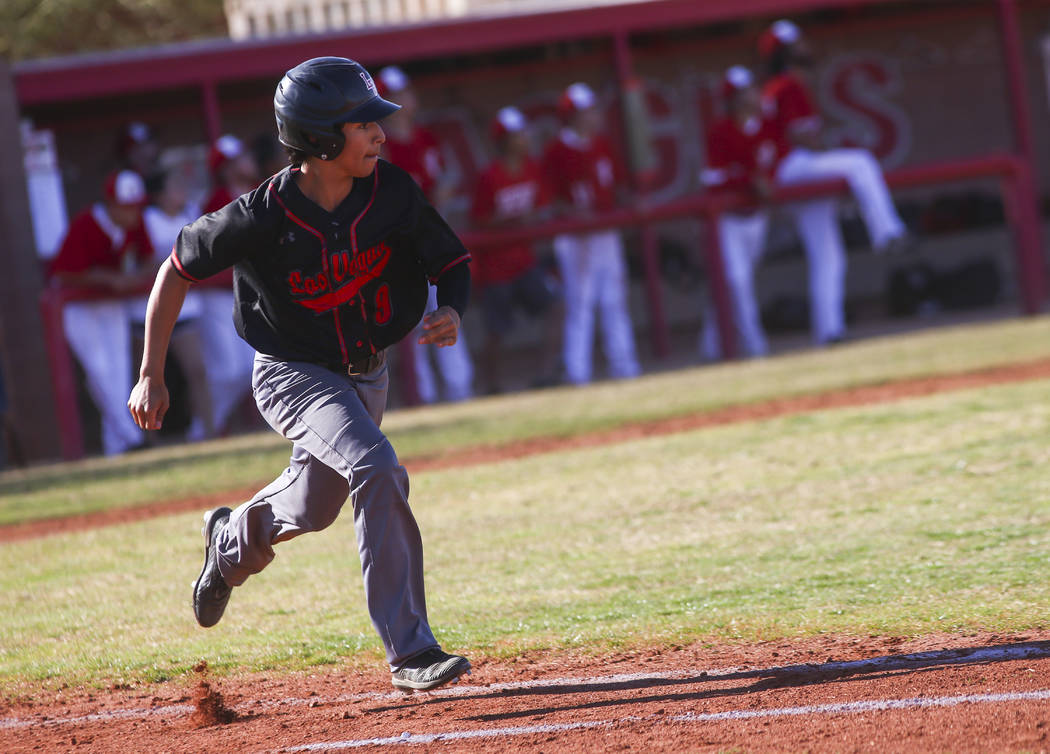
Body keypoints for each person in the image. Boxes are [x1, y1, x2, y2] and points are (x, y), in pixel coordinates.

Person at [128, 57, 473, 691]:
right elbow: (175, 270)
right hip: (293, 374)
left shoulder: (392, 191)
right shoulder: (260, 216)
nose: (379, 133)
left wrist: (450, 306)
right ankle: (412, 651)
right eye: (363, 123)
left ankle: (230, 543)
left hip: (366, 375)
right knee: (376, 465)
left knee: (315, 506)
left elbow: (450, 260)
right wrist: (151, 372)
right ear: (318, 140)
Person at [760, 18, 911, 344]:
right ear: (784, 52)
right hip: (792, 165)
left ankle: (829, 330)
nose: (804, 47)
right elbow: (801, 136)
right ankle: (887, 231)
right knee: (860, 163)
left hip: (786, 171)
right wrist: (826, 164)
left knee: (827, 255)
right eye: (796, 44)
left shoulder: (777, 87)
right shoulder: (787, 85)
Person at [377, 65, 474, 404]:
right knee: (413, 323)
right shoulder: (381, 146)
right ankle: (425, 396)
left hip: (433, 241)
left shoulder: (425, 137)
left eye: (404, 92)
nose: (403, 99)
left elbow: (444, 181)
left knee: (447, 313)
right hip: (401, 248)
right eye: (394, 95)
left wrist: (441, 193)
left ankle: (460, 389)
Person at [49, 170, 154, 455]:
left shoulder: (136, 223)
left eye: (136, 206)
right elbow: (65, 273)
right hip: (79, 307)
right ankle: (131, 439)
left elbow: (148, 258)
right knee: (99, 371)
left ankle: (116, 445)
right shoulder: (87, 222)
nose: (133, 213)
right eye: (126, 206)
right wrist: (108, 278)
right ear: (111, 203)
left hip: (111, 304)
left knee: (118, 374)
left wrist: (133, 277)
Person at [542, 82, 640, 385]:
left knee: (614, 299)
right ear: (571, 117)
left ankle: (624, 366)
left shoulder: (602, 144)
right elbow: (548, 199)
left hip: (605, 232)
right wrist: (571, 214)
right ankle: (578, 373)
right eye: (586, 112)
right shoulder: (557, 150)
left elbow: (618, 186)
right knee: (580, 304)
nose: (593, 116)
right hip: (575, 238)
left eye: (593, 110)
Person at [471, 106, 561, 393]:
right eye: (518, 134)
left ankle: (546, 374)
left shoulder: (533, 168)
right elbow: (479, 221)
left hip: (525, 261)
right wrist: (509, 221)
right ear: (505, 140)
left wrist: (535, 218)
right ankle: (492, 385)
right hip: (496, 268)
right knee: (497, 331)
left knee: (556, 308)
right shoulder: (490, 176)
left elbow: (544, 207)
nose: (525, 138)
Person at [699, 66, 779, 360]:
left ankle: (709, 348)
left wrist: (764, 181)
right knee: (737, 282)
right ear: (733, 100)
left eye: (752, 90)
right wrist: (748, 180)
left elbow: (777, 162)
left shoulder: (767, 126)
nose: (753, 96)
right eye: (746, 93)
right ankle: (755, 348)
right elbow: (712, 180)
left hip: (756, 218)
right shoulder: (720, 132)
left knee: (731, 286)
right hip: (727, 221)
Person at [141, 166, 215, 441]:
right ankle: (149, 440)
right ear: (158, 194)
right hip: (145, 311)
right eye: (174, 186)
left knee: (196, 370)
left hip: (187, 309)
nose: (180, 191)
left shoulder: (189, 215)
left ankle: (207, 432)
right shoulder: (146, 219)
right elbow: (139, 261)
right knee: (146, 376)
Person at [198, 135, 260, 432]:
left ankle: (208, 426)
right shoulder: (215, 200)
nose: (247, 162)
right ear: (226, 170)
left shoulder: (257, 191)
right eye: (238, 161)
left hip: (247, 293)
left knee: (251, 368)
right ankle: (205, 426)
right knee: (229, 371)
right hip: (217, 294)